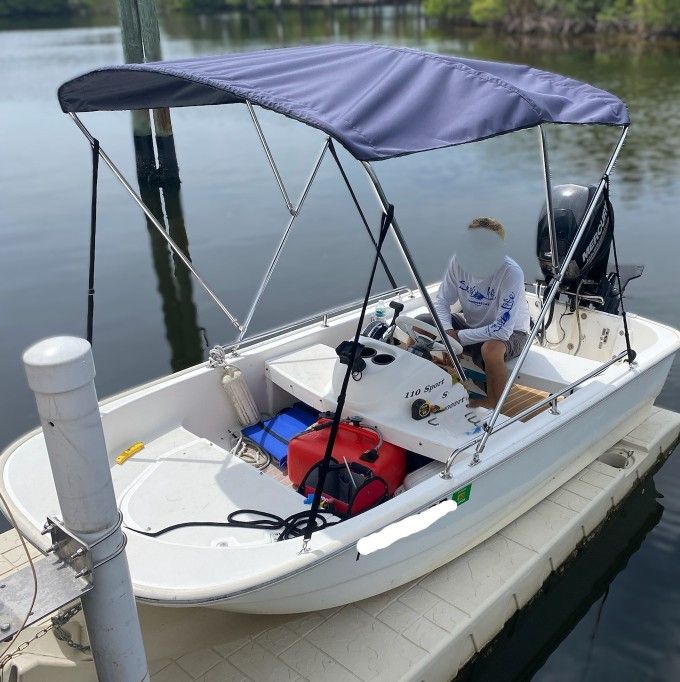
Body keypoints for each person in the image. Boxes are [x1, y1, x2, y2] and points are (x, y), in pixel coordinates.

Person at [418, 217, 530, 410]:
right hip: (473, 325)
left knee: (491, 349)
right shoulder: (458, 262)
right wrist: (447, 330)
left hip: (512, 332)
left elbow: (502, 330)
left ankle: (494, 403)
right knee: (423, 322)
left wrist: (458, 337)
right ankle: (441, 379)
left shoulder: (511, 273)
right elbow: (442, 301)